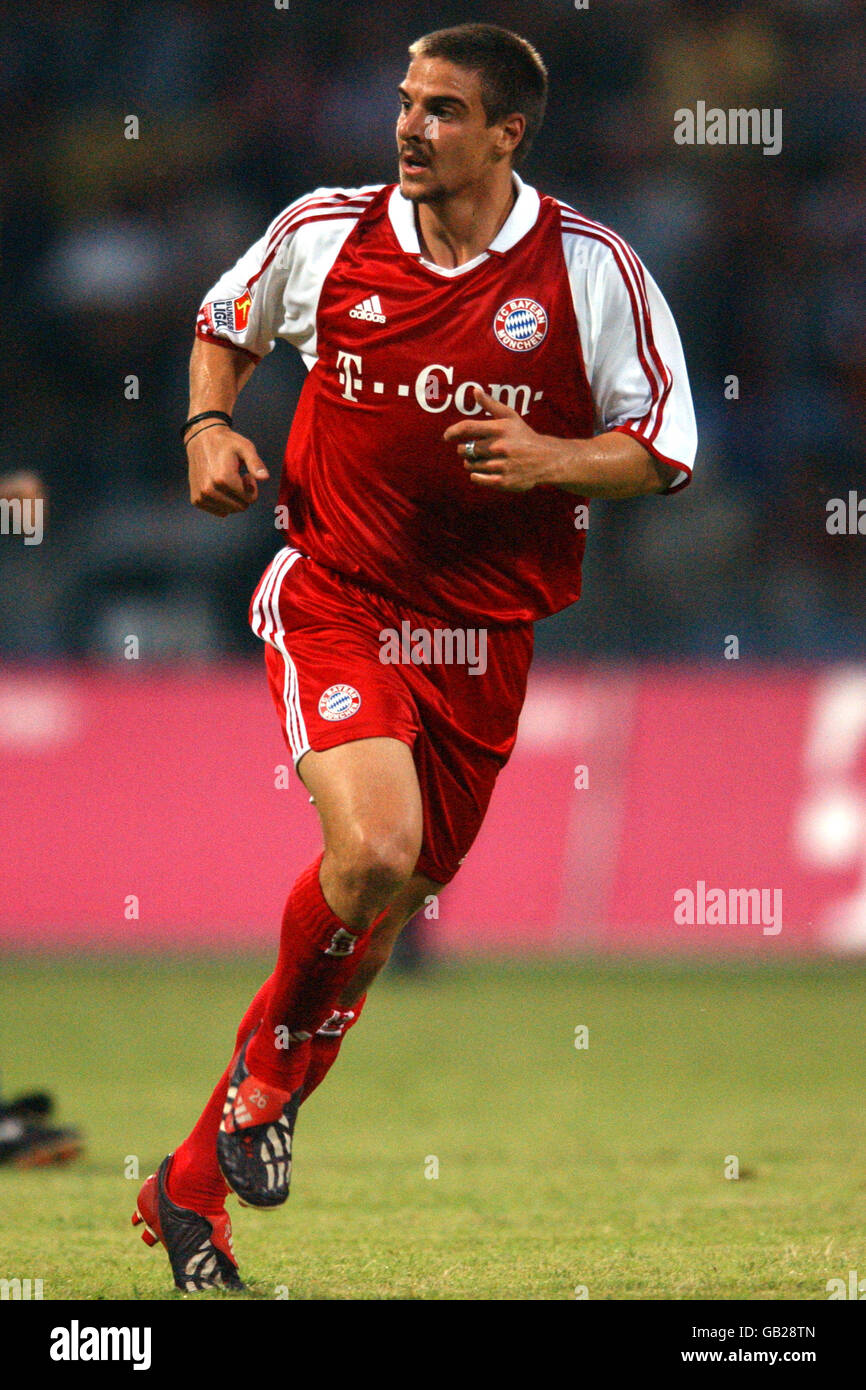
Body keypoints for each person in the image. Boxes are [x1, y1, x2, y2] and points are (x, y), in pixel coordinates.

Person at [132, 22, 697, 1291]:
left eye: (442, 109)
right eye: (404, 100)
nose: (408, 125)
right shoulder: (327, 230)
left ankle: (185, 1188)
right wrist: (207, 422)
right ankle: (265, 1084)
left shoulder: (586, 268)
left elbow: (662, 444)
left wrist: (554, 459)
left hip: (482, 639)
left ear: (506, 133)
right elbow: (223, 319)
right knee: (375, 854)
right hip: (335, 590)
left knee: (379, 911)